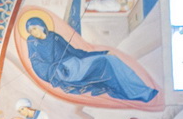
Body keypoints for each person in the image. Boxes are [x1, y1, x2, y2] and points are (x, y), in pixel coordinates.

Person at [22, 15, 159, 103]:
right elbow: (37, 65)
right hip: (66, 72)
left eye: (34, 28)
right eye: (31, 31)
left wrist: (102, 52)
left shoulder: (54, 36)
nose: (33, 32)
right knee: (107, 62)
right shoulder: (32, 43)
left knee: (111, 59)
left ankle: (139, 90)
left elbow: (74, 51)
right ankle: (135, 92)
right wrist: (55, 71)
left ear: (42, 26)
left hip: (77, 64)